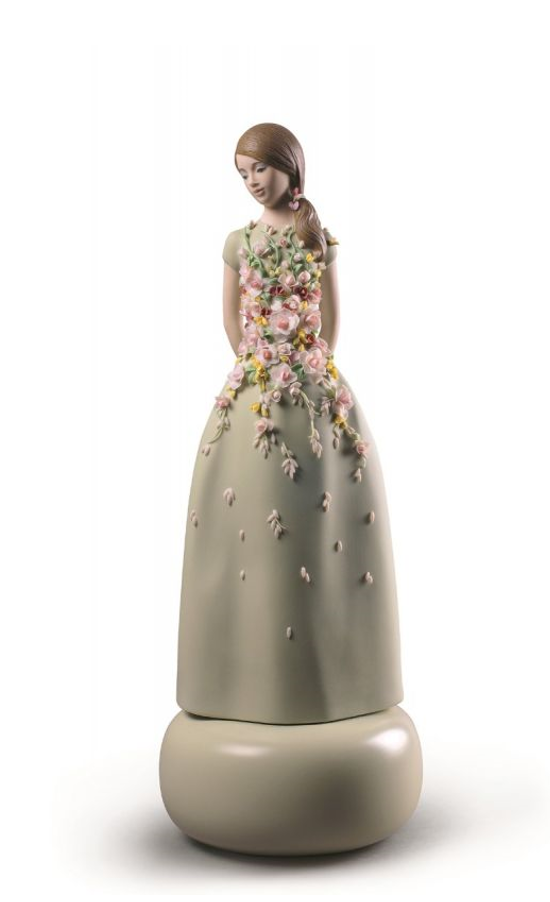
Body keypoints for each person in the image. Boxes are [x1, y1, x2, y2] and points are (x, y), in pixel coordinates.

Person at [160, 123, 422, 856]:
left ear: (289, 168)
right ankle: (237, 681)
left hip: (311, 385)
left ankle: (335, 680)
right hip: (255, 389)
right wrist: (257, 366)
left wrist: (307, 366)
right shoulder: (238, 242)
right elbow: (229, 316)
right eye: (242, 172)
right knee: (244, 525)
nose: (252, 182)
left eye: (260, 170)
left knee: (322, 527)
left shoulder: (316, 235)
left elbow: (332, 318)